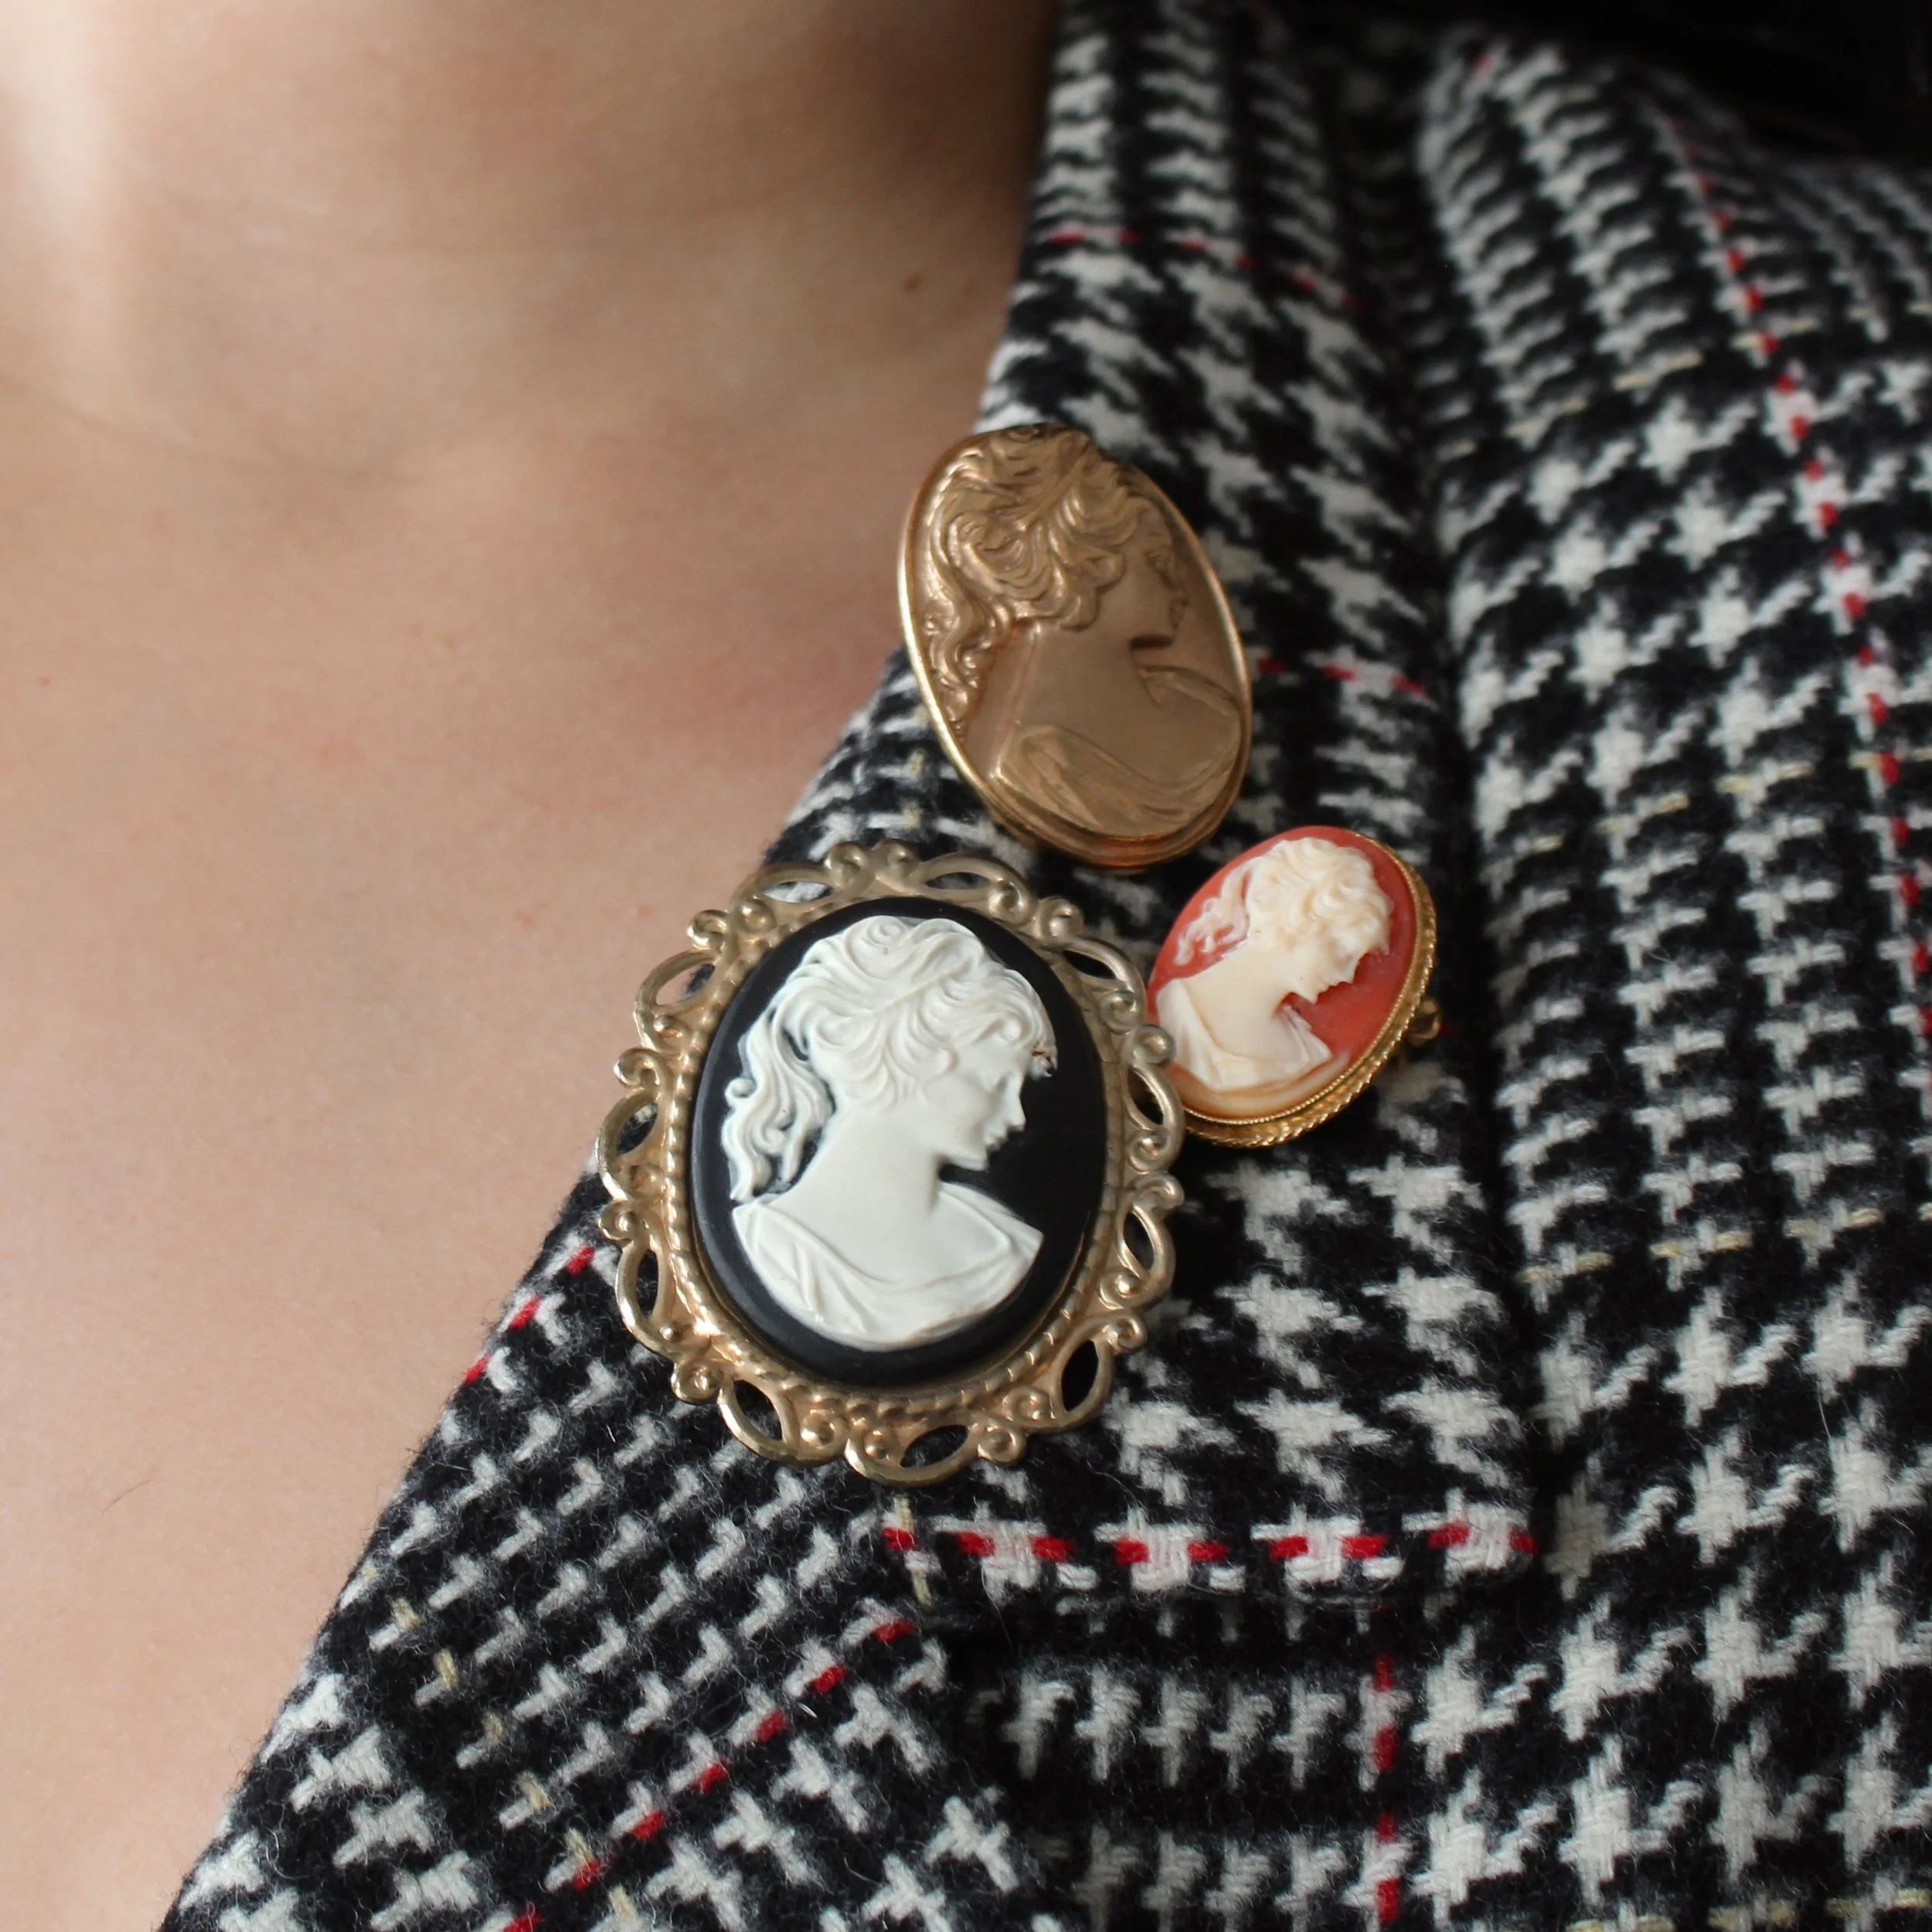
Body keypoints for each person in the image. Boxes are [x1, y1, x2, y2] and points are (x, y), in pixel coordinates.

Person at [723, 914, 1053, 1349]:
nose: (1017, 1117)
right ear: (916, 1061)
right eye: (995, 1084)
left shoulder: (1007, 1246)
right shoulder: (778, 1252)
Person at [1155, 835, 1393, 1115]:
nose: (1348, 976)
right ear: (1297, 920)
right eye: (1344, 952)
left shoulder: (1309, 1053)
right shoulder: (1174, 1015)